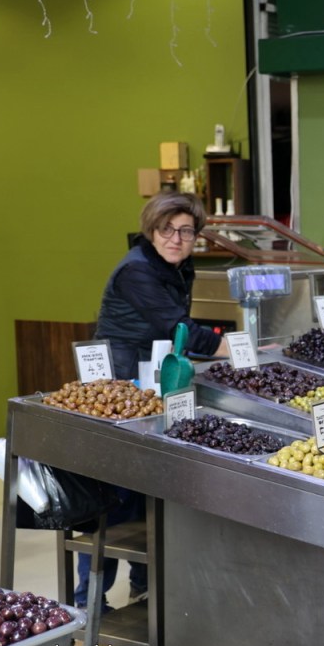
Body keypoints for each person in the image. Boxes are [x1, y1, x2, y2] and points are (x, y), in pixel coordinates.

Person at [76, 191, 227, 611]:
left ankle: (145, 586)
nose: (176, 238)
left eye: (186, 231)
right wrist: (231, 347)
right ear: (151, 230)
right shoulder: (137, 271)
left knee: (149, 484)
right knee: (112, 491)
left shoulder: (177, 266)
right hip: (117, 387)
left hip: (151, 381)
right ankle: (90, 602)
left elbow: (176, 333)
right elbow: (177, 326)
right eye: (167, 229)